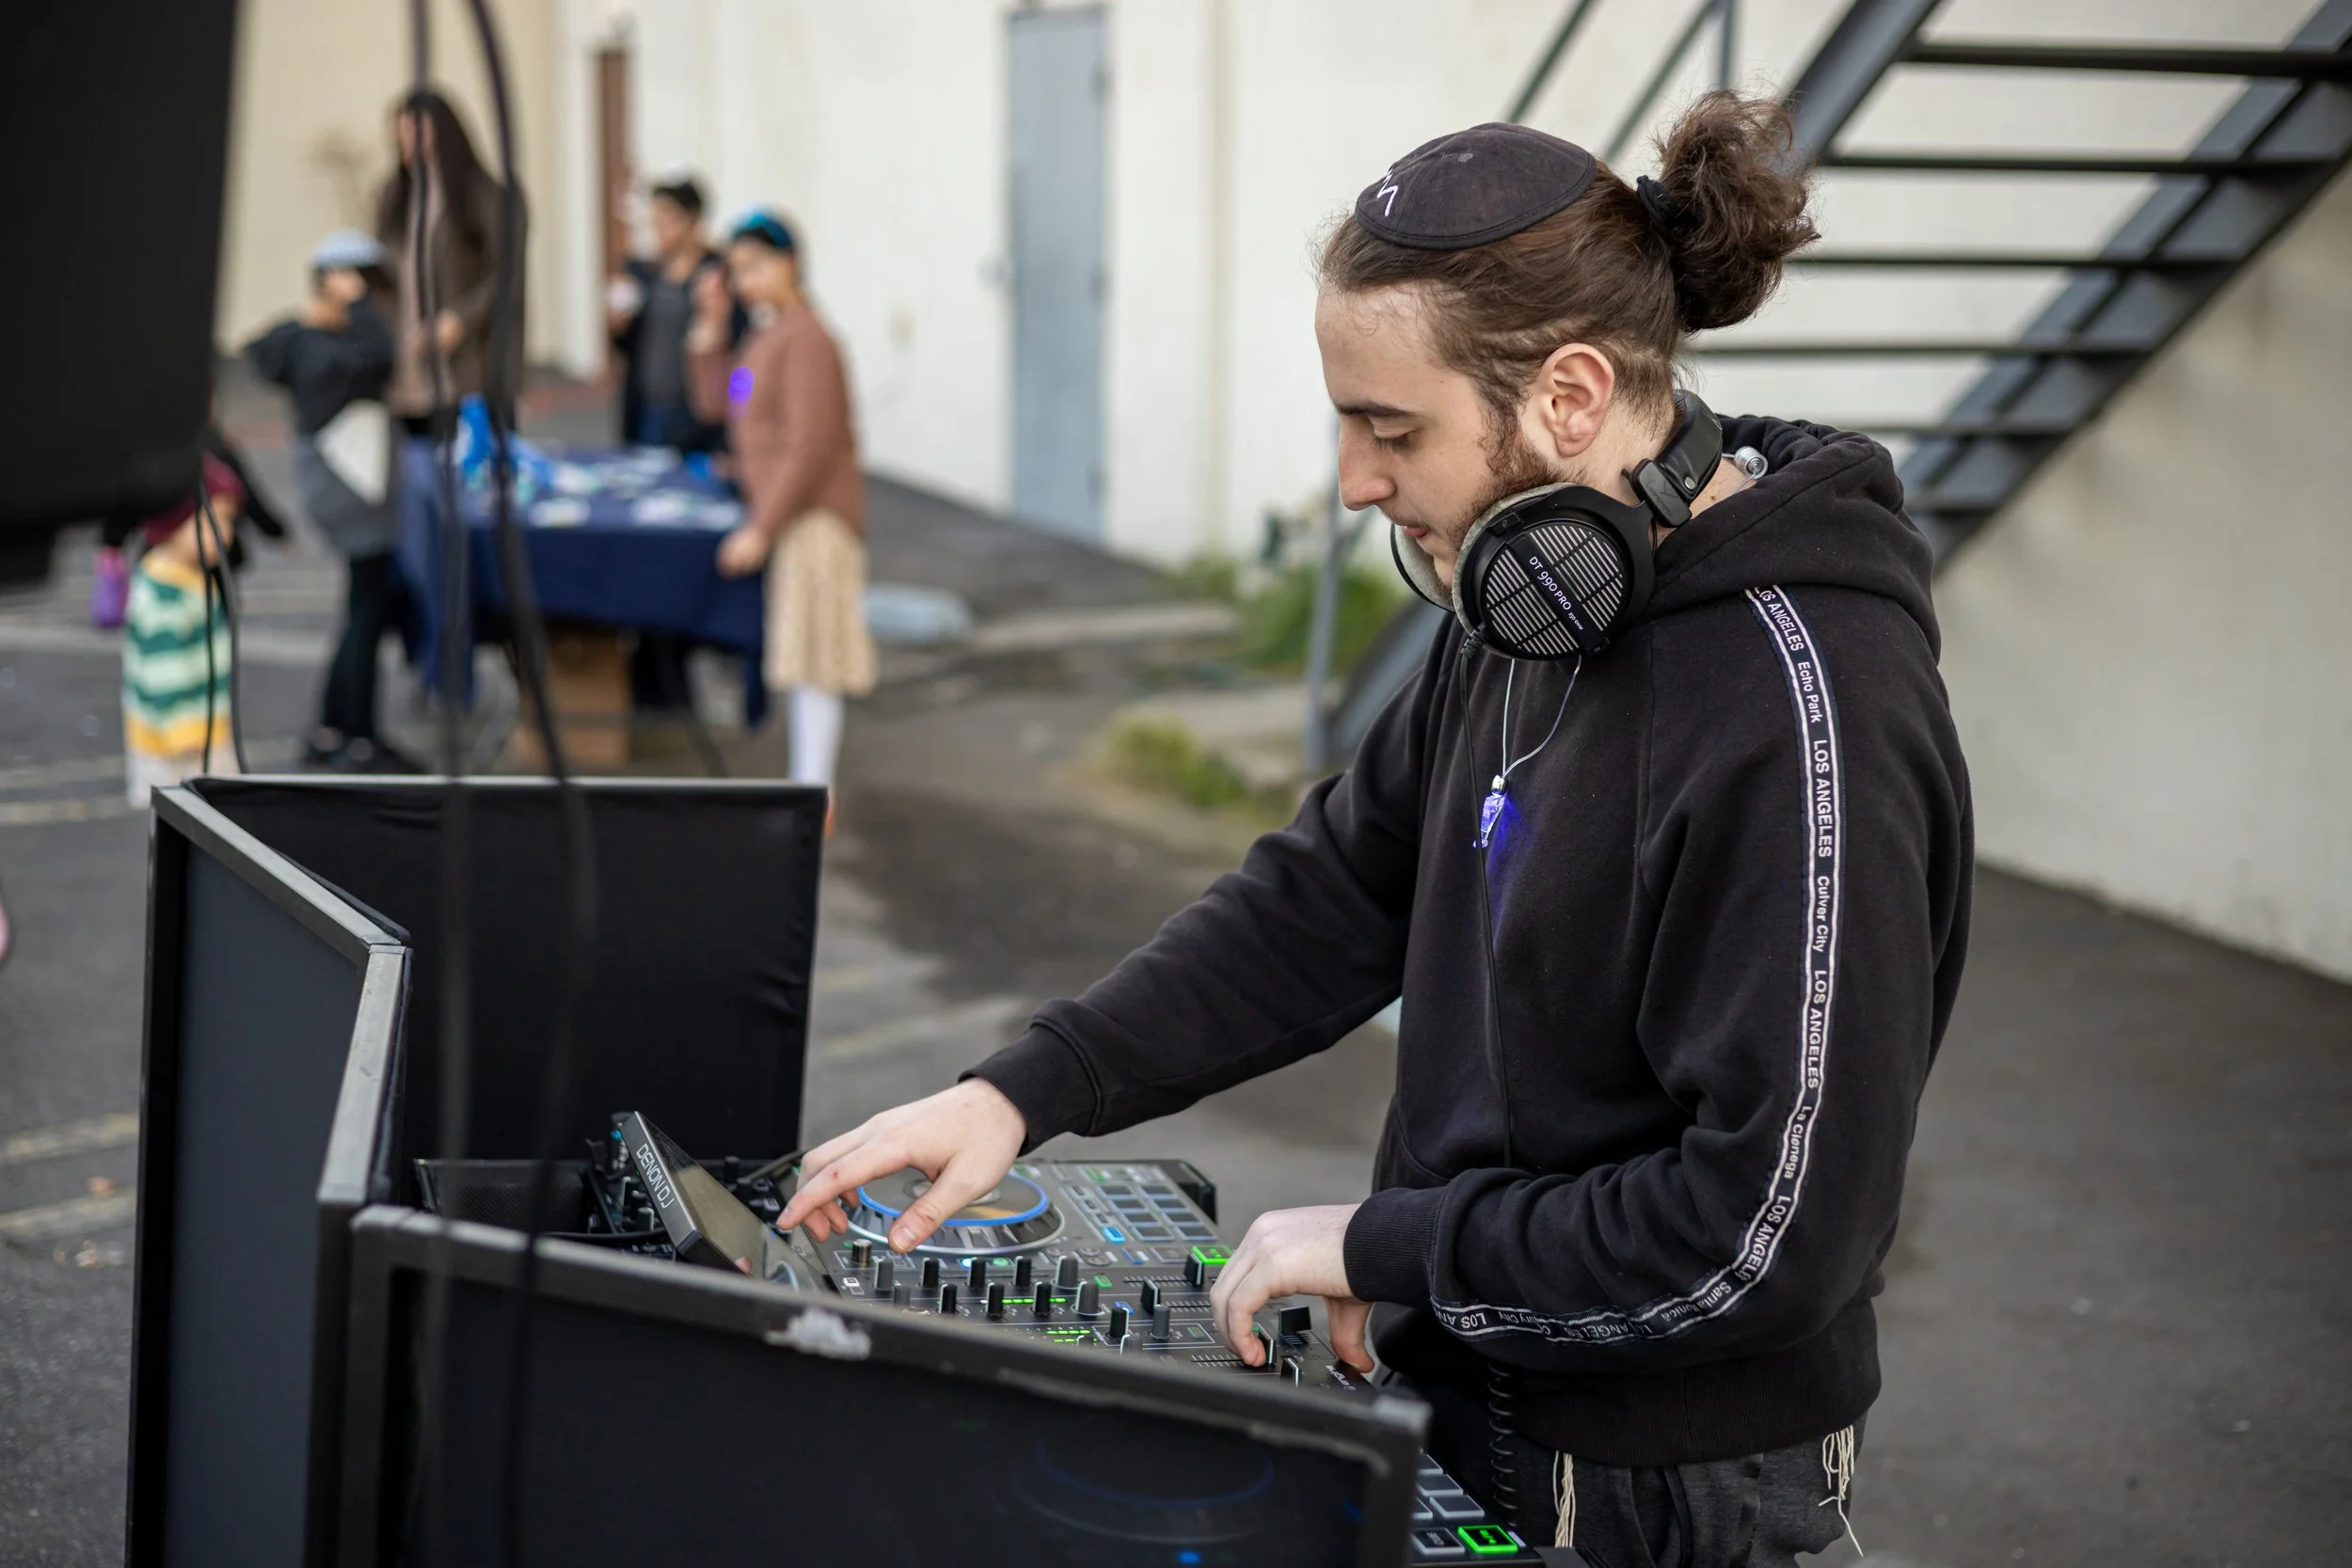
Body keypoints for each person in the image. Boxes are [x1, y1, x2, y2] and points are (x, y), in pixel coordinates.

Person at [779, 95, 1973, 1567]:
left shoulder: (1801, 705)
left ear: (1572, 397)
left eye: (1390, 427)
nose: (1354, 481)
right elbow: (1333, 890)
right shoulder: (1524, 589)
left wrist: (1393, 1244)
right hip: (1467, 1376)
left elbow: (1770, 1233)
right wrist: (1027, 1088)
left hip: (1658, 1481)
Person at [688, 210, 874, 801]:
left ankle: (813, 795)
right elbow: (725, 404)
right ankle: (809, 791)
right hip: (785, 512)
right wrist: (711, 333)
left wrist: (762, 527)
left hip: (812, 517)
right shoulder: (763, 336)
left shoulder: (808, 340)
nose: (743, 281)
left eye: (753, 266)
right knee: (803, 655)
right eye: (735, 269)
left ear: (789, 262)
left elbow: (810, 443)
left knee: (817, 659)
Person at [245, 229, 417, 771]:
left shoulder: (306, 338)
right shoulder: (321, 349)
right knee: (364, 615)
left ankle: (329, 730)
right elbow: (381, 356)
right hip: (352, 491)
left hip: (340, 488)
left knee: (359, 613)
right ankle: (358, 739)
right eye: (366, 284)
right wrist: (354, 302)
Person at [374, 88, 526, 433]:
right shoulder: (395, 194)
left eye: (416, 129)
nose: (405, 139)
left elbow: (508, 274)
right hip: (407, 351)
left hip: (468, 360)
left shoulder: (484, 195)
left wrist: (459, 319)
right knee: (417, 466)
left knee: (470, 462)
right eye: (401, 130)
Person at [120, 453, 247, 802]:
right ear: (173, 523)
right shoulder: (165, 594)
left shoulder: (187, 577)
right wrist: (187, 735)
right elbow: (162, 672)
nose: (226, 534)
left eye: (229, 521)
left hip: (201, 732)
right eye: (213, 521)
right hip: (180, 746)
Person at [610, 176, 737, 452]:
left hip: (696, 410)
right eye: (654, 221)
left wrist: (737, 410)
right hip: (649, 402)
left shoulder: (716, 277)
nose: (658, 230)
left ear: (693, 221)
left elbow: (740, 356)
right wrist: (619, 326)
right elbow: (629, 344)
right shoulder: (644, 272)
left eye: (667, 220)